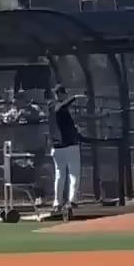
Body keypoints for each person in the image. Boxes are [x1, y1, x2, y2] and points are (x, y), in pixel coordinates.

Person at [49, 85, 85, 213]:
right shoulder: (56, 106)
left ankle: (58, 202)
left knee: (61, 175)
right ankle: (71, 200)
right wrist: (74, 98)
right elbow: (61, 107)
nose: (60, 95)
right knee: (72, 174)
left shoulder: (54, 107)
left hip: (58, 147)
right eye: (60, 93)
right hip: (67, 146)